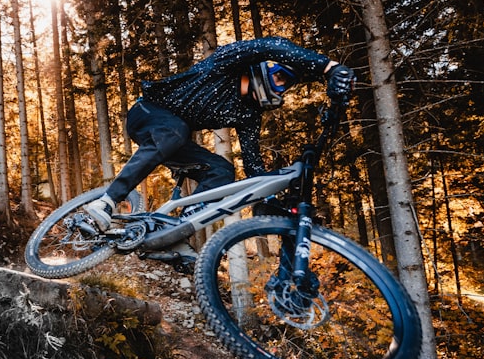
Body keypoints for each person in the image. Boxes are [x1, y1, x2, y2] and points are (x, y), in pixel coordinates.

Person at [83, 36, 355, 233]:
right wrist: (327, 68)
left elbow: (253, 166)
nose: (281, 90)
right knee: (176, 130)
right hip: (147, 113)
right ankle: (107, 201)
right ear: (266, 68)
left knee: (222, 170)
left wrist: (269, 202)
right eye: (281, 79)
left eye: (286, 88)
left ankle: (177, 229)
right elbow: (270, 45)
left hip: (172, 138)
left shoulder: (248, 114)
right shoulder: (227, 64)